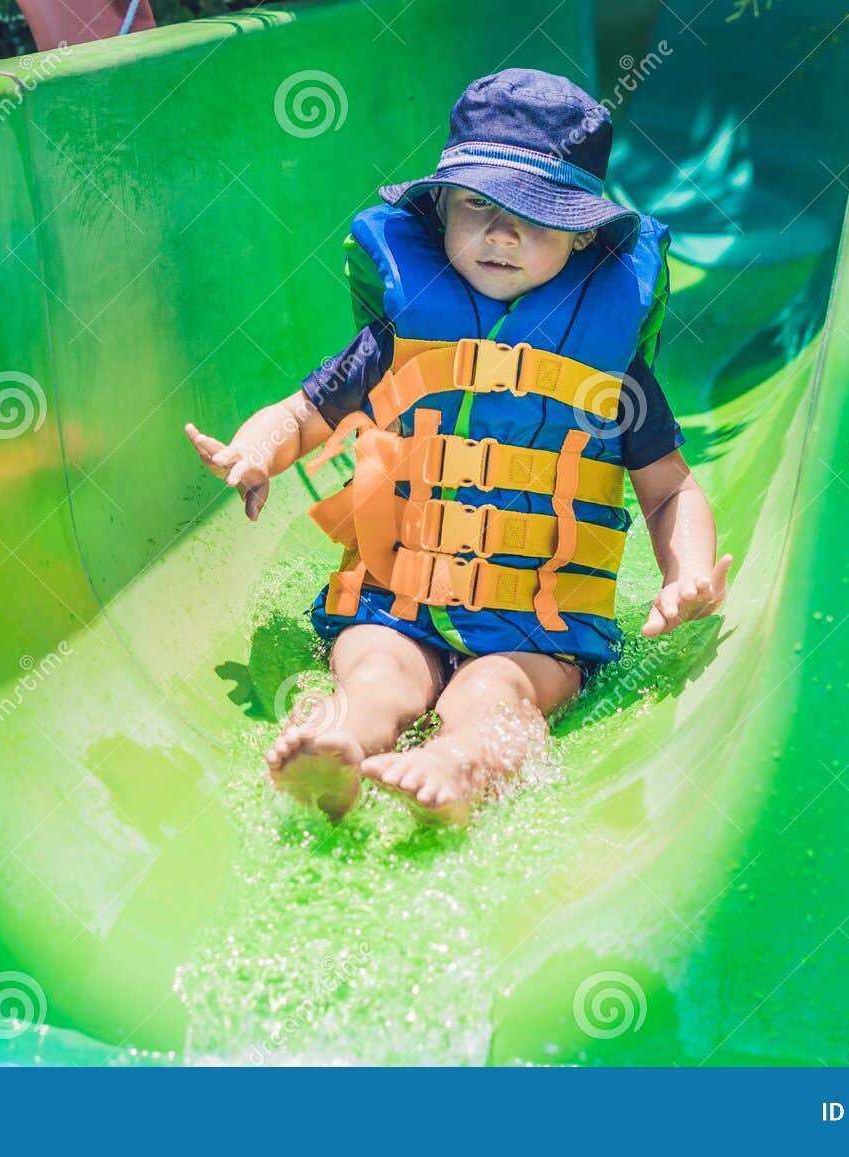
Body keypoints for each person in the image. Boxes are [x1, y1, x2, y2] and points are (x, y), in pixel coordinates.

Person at [186, 69, 732, 825]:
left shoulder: (614, 370)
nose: (500, 234)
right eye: (478, 206)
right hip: (397, 599)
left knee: (492, 696)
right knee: (376, 671)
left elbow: (670, 488)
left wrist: (689, 572)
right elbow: (301, 412)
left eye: (533, 218)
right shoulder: (398, 336)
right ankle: (334, 748)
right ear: (441, 207)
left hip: (535, 627)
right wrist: (256, 450)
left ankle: (457, 767)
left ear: (582, 234)